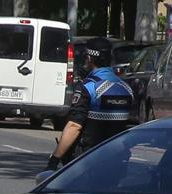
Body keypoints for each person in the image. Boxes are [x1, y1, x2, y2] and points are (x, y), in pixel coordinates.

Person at [47, 38, 134, 171]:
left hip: (89, 161)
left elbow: (74, 126)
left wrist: (54, 159)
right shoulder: (126, 88)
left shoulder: (89, 87)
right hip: (119, 160)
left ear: (89, 58)